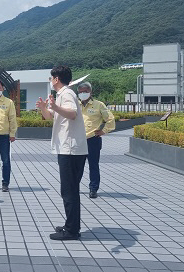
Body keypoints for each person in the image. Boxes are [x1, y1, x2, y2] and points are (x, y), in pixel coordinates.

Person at [36, 66, 88, 241]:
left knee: (69, 190)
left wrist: (55, 107)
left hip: (71, 150)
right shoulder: (62, 95)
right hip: (68, 149)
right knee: (69, 189)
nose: (51, 81)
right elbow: (50, 117)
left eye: (51, 78)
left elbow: (72, 113)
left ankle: (72, 230)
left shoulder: (67, 94)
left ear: (56, 79)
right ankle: (70, 225)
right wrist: (45, 108)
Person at [77, 82, 115, 198]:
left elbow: (110, 119)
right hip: (78, 140)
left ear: (90, 92)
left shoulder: (99, 105)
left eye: (85, 91)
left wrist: (104, 131)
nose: (83, 94)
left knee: (93, 165)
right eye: (81, 92)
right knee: (77, 166)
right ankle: (74, 187)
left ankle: (93, 189)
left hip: (93, 139)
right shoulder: (75, 105)